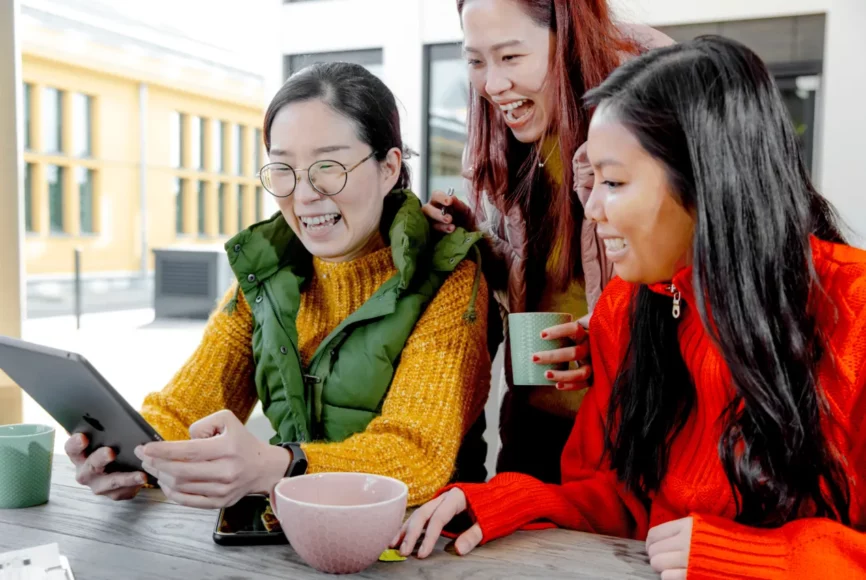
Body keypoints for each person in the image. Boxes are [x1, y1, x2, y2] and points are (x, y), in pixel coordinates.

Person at [398, 37, 866, 579]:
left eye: (614, 182)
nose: (592, 209)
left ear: (707, 182)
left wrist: (762, 559)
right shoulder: (629, 306)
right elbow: (626, 500)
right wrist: (516, 501)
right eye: (591, 180)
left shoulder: (851, 307)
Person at [64, 62, 492, 509]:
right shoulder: (266, 274)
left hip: (423, 546)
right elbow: (181, 409)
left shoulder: (451, 277)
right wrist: (129, 455)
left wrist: (276, 465)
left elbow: (415, 456)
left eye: (329, 166)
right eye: (283, 169)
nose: (304, 194)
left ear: (388, 168)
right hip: (291, 534)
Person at [423, 0, 674, 484]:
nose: (492, 85)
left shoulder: (645, 122)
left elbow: (689, 283)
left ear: (569, 37)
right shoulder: (514, 144)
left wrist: (604, 335)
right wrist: (470, 239)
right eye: (475, 61)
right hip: (534, 426)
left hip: (630, 437)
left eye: (510, 58)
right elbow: (543, 277)